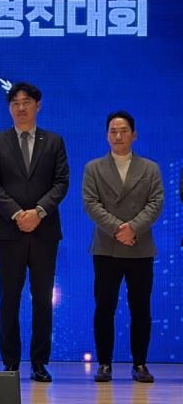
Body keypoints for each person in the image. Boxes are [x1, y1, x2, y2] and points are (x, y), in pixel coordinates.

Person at [0, 82, 68, 382]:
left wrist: (39, 212)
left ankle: (39, 363)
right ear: (9, 108)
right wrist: (18, 214)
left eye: (27, 102)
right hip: (9, 231)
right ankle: (10, 363)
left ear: (37, 105)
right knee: (9, 298)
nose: (21, 108)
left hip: (44, 232)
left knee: (42, 299)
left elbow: (61, 182)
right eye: (15, 103)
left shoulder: (54, 141)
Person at [82, 111, 163, 383]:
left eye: (124, 131)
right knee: (104, 308)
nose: (118, 136)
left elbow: (156, 203)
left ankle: (140, 364)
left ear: (134, 135)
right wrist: (118, 229)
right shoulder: (93, 168)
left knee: (140, 308)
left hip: (140, 247)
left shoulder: (150, 168)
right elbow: (90, 204)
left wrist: (133, 229)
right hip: (106, 247)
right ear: (107, 136)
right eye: (113, 131)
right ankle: (104, 364)